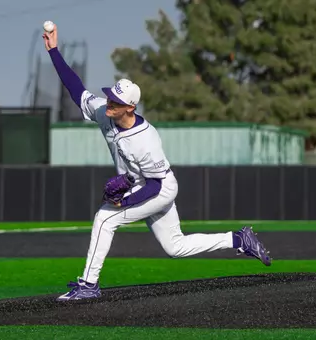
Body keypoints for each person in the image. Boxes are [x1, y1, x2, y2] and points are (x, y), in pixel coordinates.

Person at [42, 24, 270, 301]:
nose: (110, 101)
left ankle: (89, 284)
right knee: (175, 246)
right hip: (141, 185)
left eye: (116, 100)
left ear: (130, 107)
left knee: (104, 219)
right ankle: (238, 240)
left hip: (157, 189)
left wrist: (122, 203)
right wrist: (54, 51)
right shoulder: (104, 111)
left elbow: (155, 185)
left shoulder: (145, 140)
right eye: (111, 96)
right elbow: (75, 87)